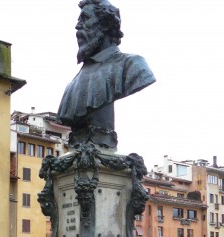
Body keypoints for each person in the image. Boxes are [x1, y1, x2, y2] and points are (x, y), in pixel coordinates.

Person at [57, 0, 156, 149]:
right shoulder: (71, 85)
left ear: (106, 24)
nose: (77, 26)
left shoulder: (132, 65)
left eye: (84, 19)